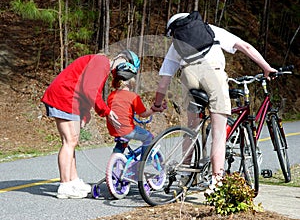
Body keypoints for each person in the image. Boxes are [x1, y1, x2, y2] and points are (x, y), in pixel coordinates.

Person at [151, 12, 277, 186]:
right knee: (218, 132)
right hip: (213, 74)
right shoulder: (211, 30)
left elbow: (164, 82)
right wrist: (266, 67)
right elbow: (245, 47)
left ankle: (186, 175)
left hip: (189, 76)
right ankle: (216, 181)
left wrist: (157, 104)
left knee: (192, 128)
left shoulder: (176, 45)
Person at [41, 50, 139, 199]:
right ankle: (65, 185)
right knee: (69, 142)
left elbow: (88, 90)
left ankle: (73, 181)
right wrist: (106, 111)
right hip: (64, 96)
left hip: (70, 99)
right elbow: (90, 91)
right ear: (121, 58)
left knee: (72, 142)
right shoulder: (101, 62)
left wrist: (85, 115)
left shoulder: (102, 66)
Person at [106, 50, 154, 157]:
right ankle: (144, 162)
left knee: (121, 145)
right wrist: (153, 110)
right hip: (126, 129)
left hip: (113, 129)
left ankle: (114, 169)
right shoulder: (133, 97)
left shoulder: (111, 95)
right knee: (149, 137)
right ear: (132, 81)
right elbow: (143, 114)